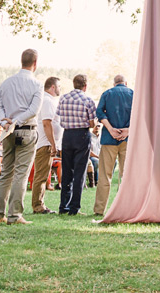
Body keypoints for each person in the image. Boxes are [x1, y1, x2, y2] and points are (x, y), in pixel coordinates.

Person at [0, 49, 44, 224]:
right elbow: (33, 110)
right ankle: (14, 215)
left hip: (8, 131)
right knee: (21, 173)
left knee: (6, 172)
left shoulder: (6, 83)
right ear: (35, 64)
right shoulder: (36, 84)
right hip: (27, 130)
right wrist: (16, 121)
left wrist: (4, 121)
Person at [56, 74, 98, 215]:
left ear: (74, 84)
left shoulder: (63, 98)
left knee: (67, 171)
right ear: (85, 86)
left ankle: (63, 206)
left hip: (67, 135)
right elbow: (92, 124)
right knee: (79, 173)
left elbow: (59, 115)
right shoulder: (87, 100)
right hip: (81, 135)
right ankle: (74, 208)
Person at [93, 74, 133, 217]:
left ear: (114, 83)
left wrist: (110, 129)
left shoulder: (107, 93)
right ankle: (125, 208)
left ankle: (99, 209)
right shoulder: (133, 94)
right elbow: (140, 114)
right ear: (125, 83)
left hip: (109, 139)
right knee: (126, 175)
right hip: (128, 140)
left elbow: (99, 113)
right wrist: (128, 130)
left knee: (105, 175)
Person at [32, 77, 62, 214]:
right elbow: (46, 123)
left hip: (46, 143)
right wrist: (53, 144)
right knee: (41, 176)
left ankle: (40, 204)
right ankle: (38, 206)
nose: (60, 89)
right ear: (53, 87)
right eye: (59, 86)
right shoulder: (47, 101)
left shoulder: (47, 100)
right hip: (45, 144)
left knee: (43, 175)